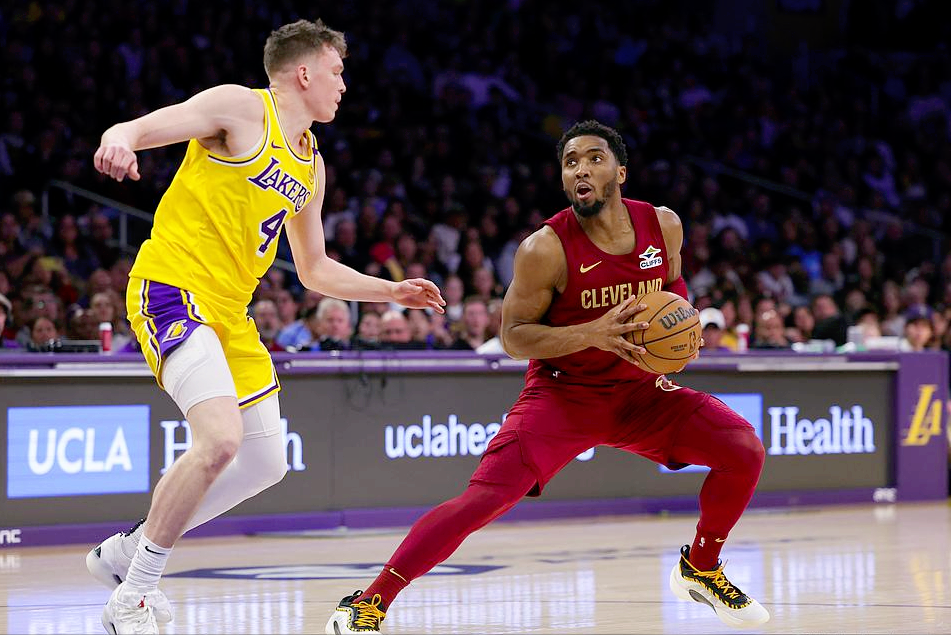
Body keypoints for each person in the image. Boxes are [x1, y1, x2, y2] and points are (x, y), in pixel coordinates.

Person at [327, 120, 769, 633]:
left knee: (743, 449)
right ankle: (369, 602)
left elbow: (672, 286)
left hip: (640, 393)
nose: (581, 169)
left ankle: (701, 568)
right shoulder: (545, 248)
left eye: (594, 158)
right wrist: (592, 333)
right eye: (570, 162)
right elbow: (514, 336)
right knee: (484, 499)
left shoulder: (663, 225)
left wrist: (681, 331)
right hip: (564, 394)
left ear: (621, 172)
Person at [86, 19, 445, 635]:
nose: (343, 85)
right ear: (303, 72)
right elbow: (144, 127)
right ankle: (135, 592)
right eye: (336, 71)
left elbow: (314, 268)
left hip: (230, 313)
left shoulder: (311, 163)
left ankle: (126, 551)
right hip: (173, 288)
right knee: (220, 440)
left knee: (266, 461)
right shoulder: (241, 108)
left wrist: (390, 290)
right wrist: (118, 139)